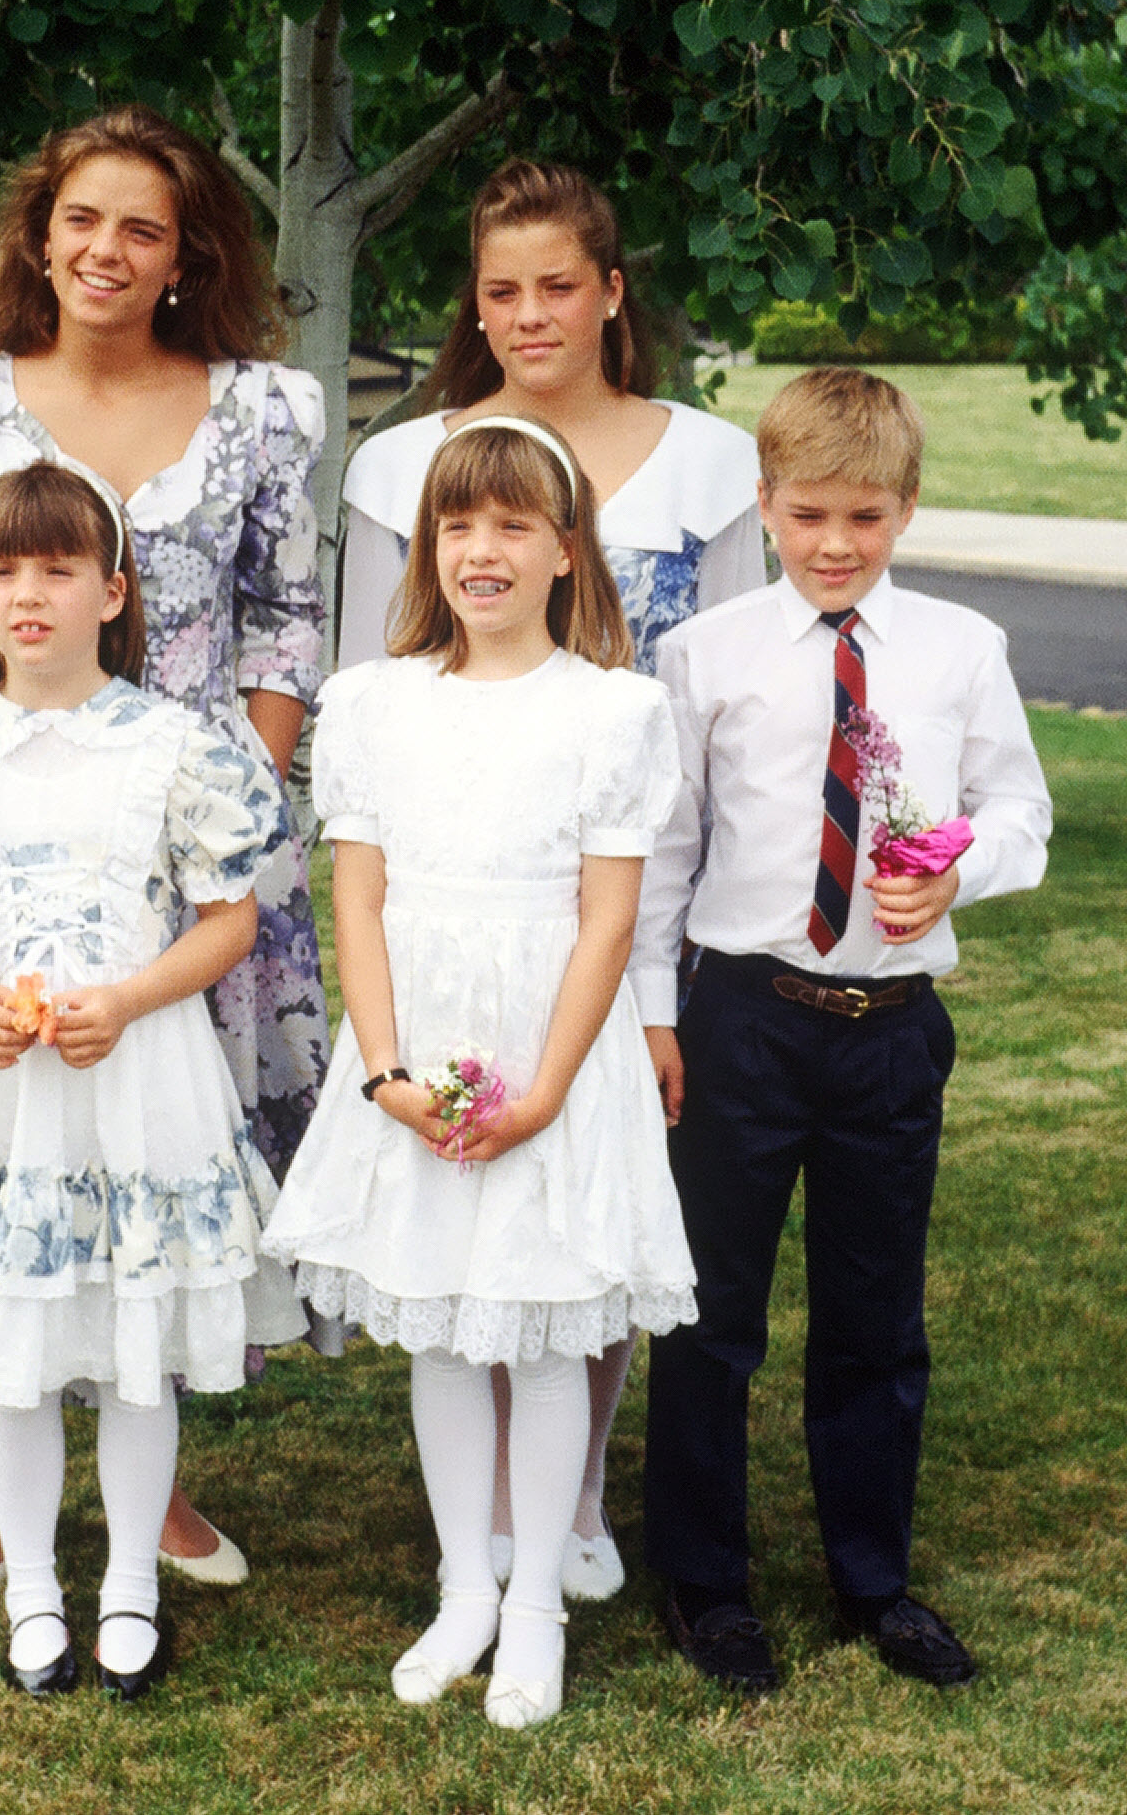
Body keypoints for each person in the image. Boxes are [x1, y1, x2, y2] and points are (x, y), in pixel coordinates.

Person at [0, 104, 329, 1601]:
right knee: (5, 1135)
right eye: (82, 220)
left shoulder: (263, 409)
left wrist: (237, 786)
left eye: (144, 229)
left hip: (185, 841)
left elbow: (291, 612)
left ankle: (155, 1487)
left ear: (188, 258)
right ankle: (7, 1487)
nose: (108, 250)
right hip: (14, 832)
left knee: (167, 1140)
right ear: (40, 236)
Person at [337, 158, 764, 1603]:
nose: (530, 314)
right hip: (472, 890)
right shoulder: (415, 468)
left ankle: (575, 1495)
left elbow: (724, 706)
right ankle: (486, 1541)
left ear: (612, 294)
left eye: (558, 286)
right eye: (501, 290)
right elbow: (379, 688)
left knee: (596, 1193)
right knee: (480, 1186)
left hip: (642, 885)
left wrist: (656, 979)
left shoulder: (706, 464)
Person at [0, 463, 305, 1697]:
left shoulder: (172, 746)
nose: (27, 593)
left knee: (134, 1337)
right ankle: (36, 1584)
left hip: (137, 1072)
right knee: (21, 1339)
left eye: (56, 569)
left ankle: (133, 1590)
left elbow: (229, 922)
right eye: (2, 569)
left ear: (113, 589)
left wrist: (131, 997)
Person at [263, 418, 698, 1729]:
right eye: (458, 526)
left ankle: (537, 1612)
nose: (482, 550)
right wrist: (387, 1071)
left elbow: (610, 921)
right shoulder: (375, 703)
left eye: (513, 525)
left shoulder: (613, 710)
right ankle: (463, 1586)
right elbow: (359, 899)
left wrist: (549, 1090)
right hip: (420, 1054)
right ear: (428, 546)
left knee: (545, 1317)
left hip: (549, 1054)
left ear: (566, 551)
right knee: (445, 1322)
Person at [631, 368, 1052, 1694]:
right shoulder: (706, 656)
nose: (833, 545)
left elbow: (1019, 814)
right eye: (808, 515)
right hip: (746, 1018)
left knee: (874, 1320)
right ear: (763, 506)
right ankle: (707, 1587)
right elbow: (663, 855)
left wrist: (955, 869)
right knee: (712, 1316)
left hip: (888, 1028)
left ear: (907, 510)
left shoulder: (959, 651)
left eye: (864, 519)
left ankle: (874, 1581)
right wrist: (656, 1018)